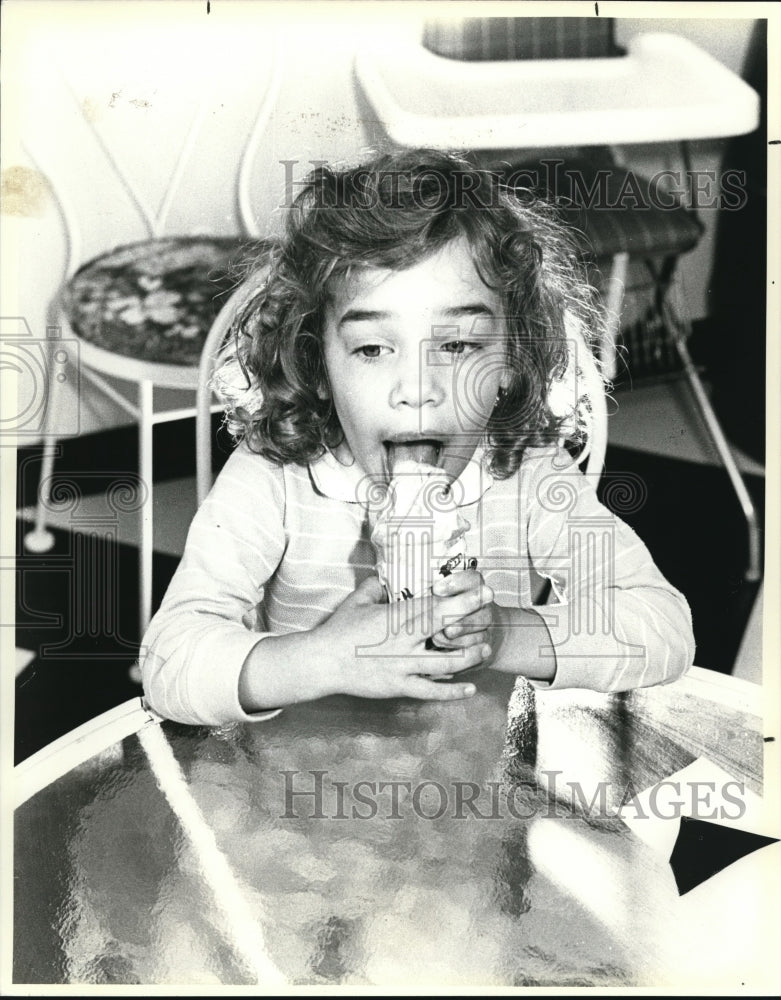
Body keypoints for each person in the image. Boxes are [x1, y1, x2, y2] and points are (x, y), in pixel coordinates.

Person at [140, 149, 695, 726]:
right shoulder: (275, 475)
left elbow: (663, 627)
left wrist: (503, 634)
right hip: (300, 782)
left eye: (457, 346)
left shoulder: (529, 471)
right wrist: (321, 659)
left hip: (476, 774)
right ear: (317, 361)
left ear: (511, 358)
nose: (417, 390)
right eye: (374, 349)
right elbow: (168, 663)